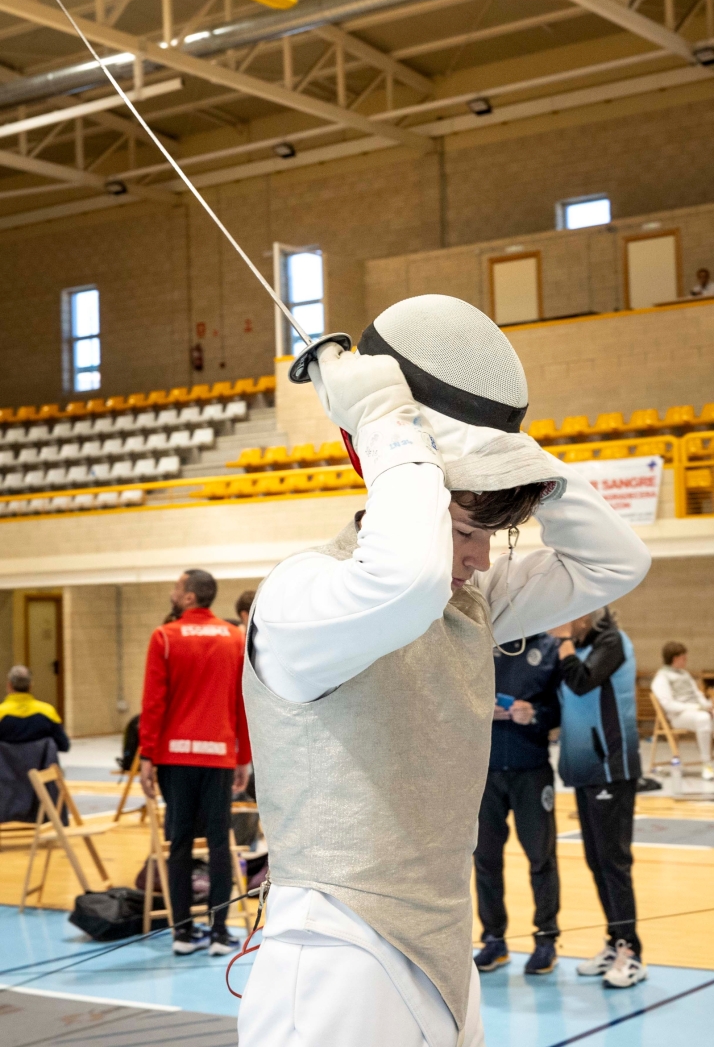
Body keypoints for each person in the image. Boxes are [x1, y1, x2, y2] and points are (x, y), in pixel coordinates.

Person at [238, 294, 651, 1047]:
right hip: (336, 956)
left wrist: (501, 448)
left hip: (442, 955)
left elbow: (617, 559)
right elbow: (403, 581)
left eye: (492, 535)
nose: (480, 558)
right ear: (412, 491)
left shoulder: (465, 605)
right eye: (465, 531)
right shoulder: (302, 595)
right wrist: (391, 424)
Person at [139, 568, 252, 957]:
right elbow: (242, 702)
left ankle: (183, 934)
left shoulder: (164, 637)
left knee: (181, 843)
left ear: (189, 597)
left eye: (176, 587)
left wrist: (146, 757)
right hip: (219, 756)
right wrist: (244, 756)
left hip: (175, 758)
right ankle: (220, 933)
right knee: (220, 842)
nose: (172, 592)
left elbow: (153, 703)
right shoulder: (234, 637)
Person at [550, 608, 645, 989]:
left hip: (612, 768)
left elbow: (581, 682)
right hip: (585, 770)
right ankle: (614, 941)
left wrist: (563, 642)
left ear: (588, 614)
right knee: (596, 860)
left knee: (614, 862)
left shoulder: (612, 642)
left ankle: (631, 952)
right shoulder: (581, 645)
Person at [473, 633, 561, 976]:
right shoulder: (479, 641)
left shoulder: (549, 648)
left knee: (541, 858)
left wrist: (536, 713)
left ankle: (545, 940)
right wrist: (479, 711)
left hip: (532, 772)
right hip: (486, 773)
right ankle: (493, 940)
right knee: (486, 860)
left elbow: (560, 707)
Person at [652, 641, 713, 780]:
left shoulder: (685, 674)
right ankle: (707, 764)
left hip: (697, 712)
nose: (686, 661)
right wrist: (698, 708)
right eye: (683, 658)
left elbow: (697, 695)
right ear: (675, 658)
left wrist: (708, 707)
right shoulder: (661, 678)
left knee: (706, 716)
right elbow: (669, 705)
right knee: (703, 719)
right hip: (679, 716)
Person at [0, 665, 69, 752]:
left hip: (5, 765)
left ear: (9, 685)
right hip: (40, 765)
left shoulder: (1, 713)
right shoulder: (48, 712)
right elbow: (64, 745)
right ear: (30, 686)